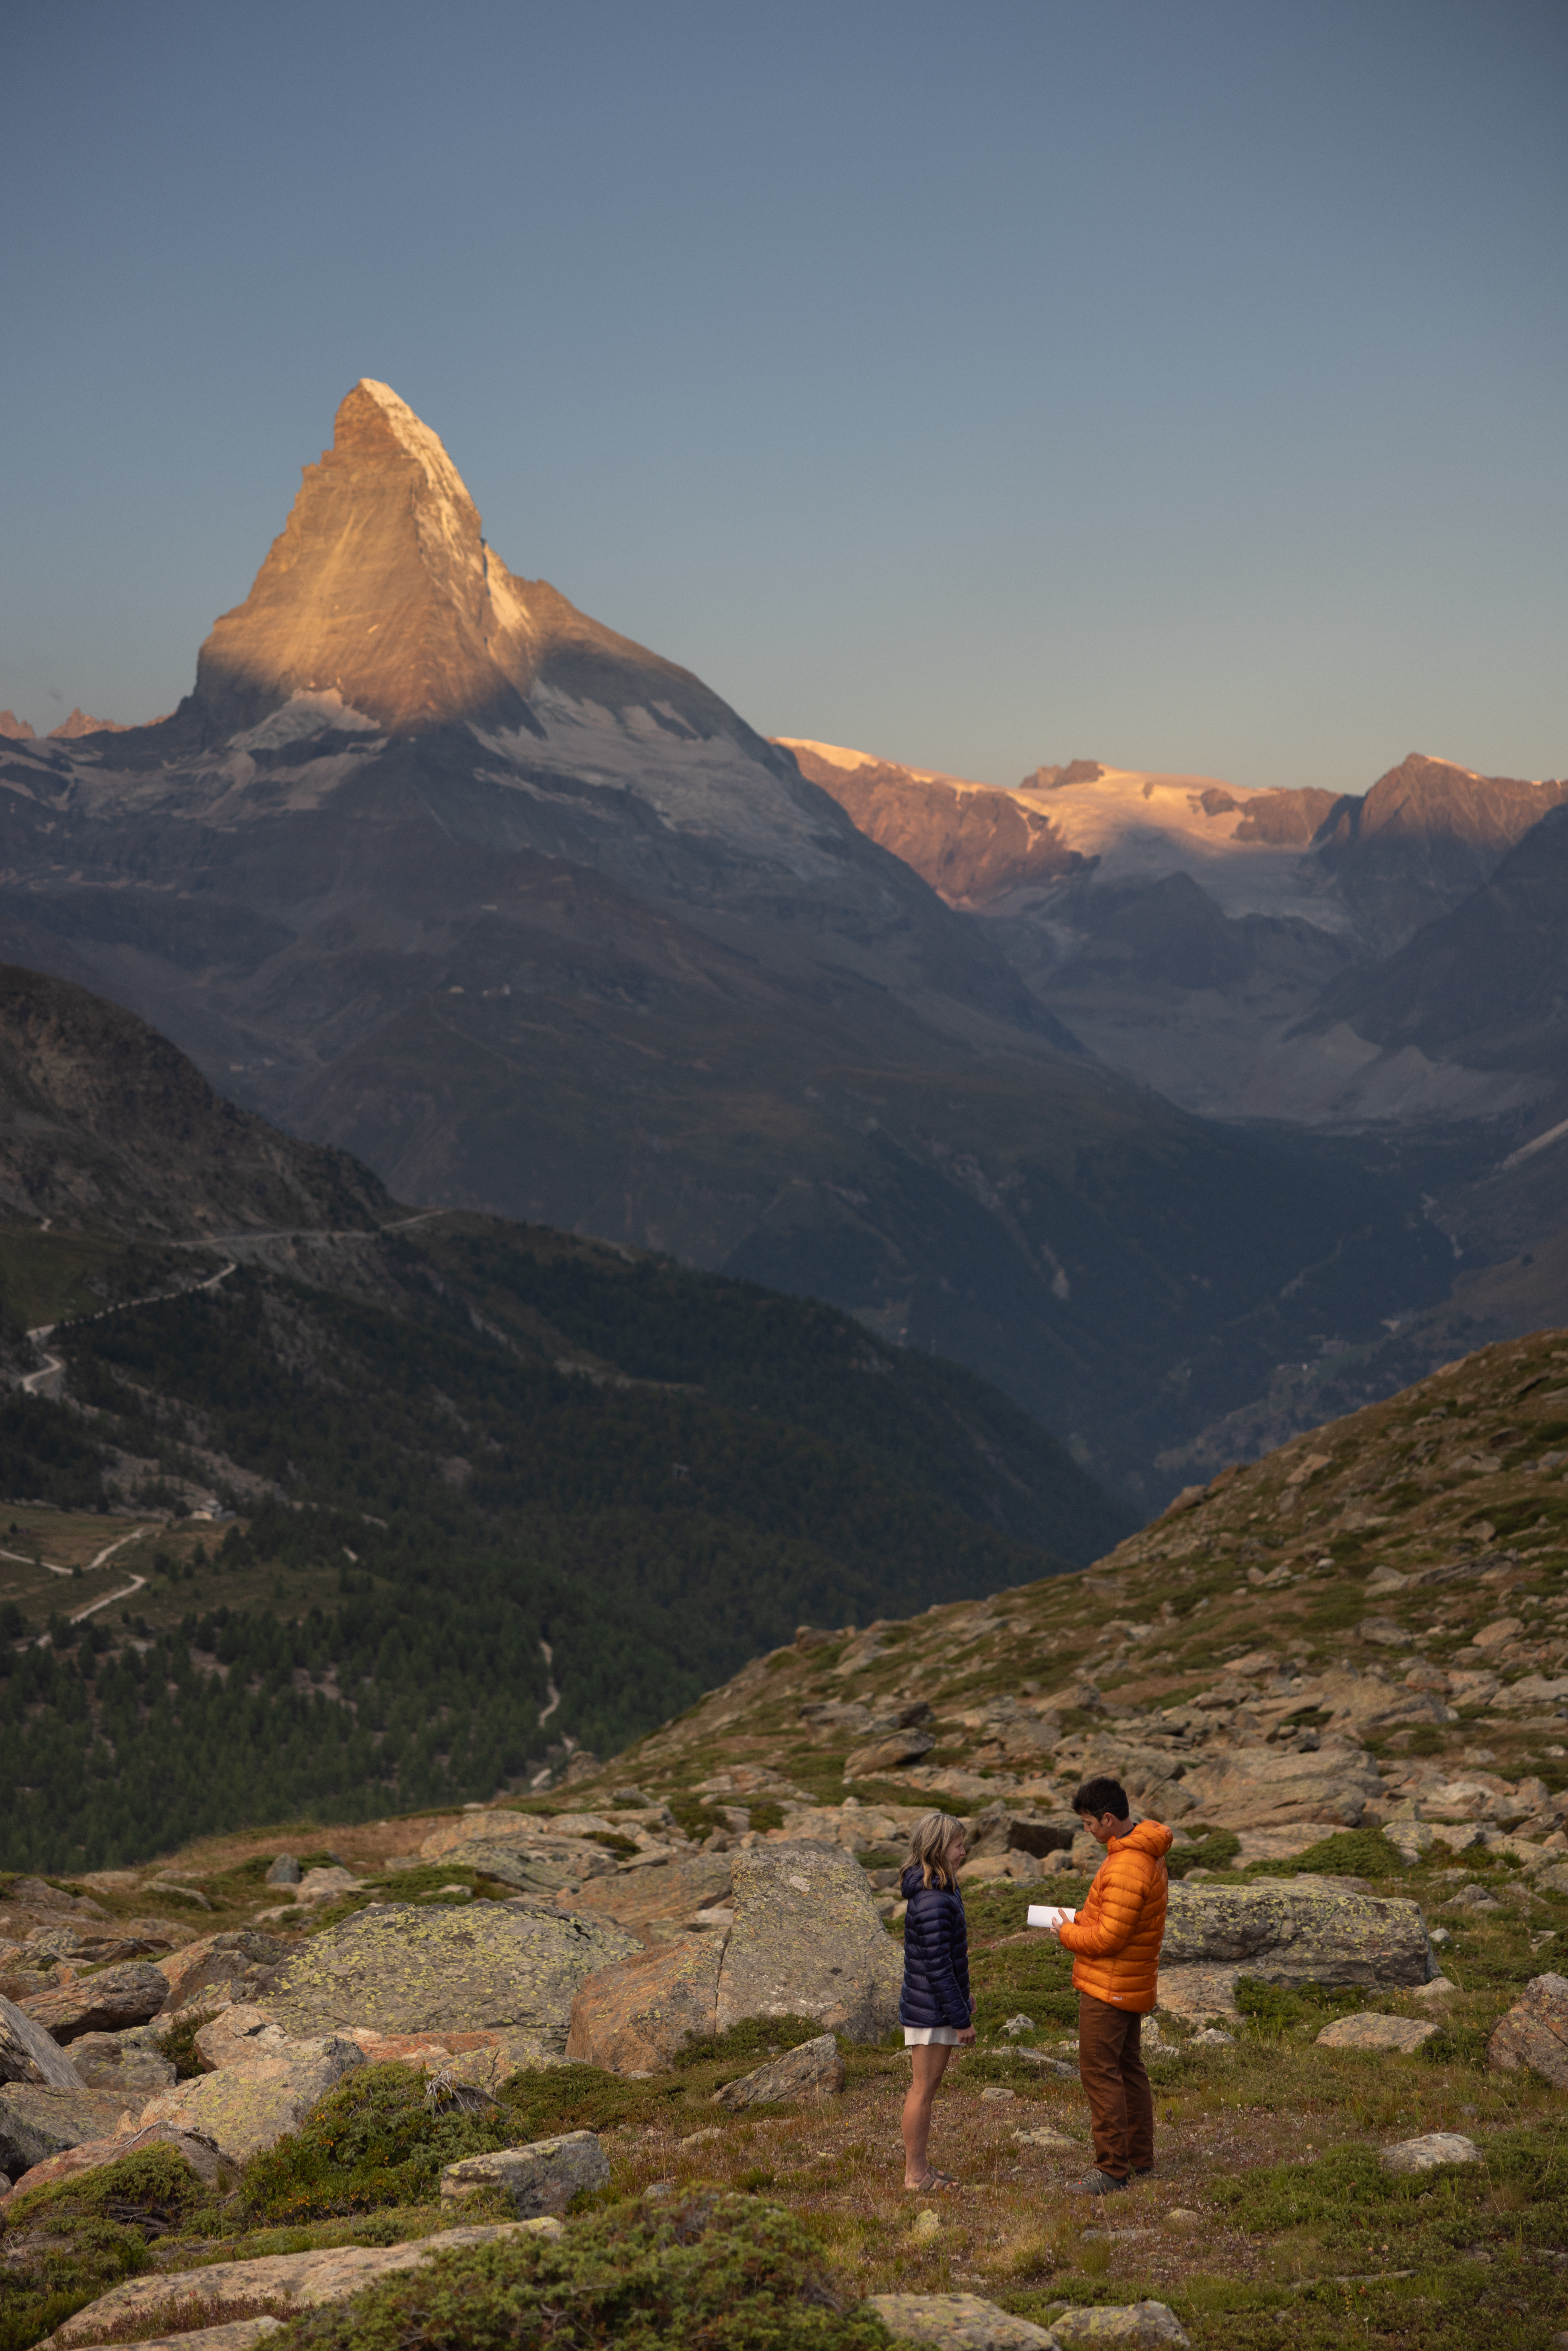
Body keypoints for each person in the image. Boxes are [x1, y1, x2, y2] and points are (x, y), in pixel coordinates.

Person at [1048, 1774, 1172, 2197]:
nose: (1087, 1832)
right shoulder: (1140, 1852)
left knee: (1100, 2073)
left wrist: (1066, 1933)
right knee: (1128, 2069)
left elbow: (1108, 1940)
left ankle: (1111, 2170)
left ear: (1107, 1819)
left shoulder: (1126, 1864)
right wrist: (1078, 1919)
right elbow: (1115, 1920)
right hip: (1129, 1981)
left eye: (1088, 1824)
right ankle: (1138, 2158)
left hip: (1109, 1987)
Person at [898, 1808, 975, 2190]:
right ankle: (915, 2175)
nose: (963, 1852)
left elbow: (947, 1958)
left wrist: (964, 1996)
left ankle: (922, 2167)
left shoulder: (943, 1889)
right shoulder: (933, 1898)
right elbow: (938, 1966)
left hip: (934, 2004)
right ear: (939, 1848)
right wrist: (961, 2019)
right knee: (923, 2090)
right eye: (958, 1845)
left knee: (927, 2089)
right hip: (931, 2010)